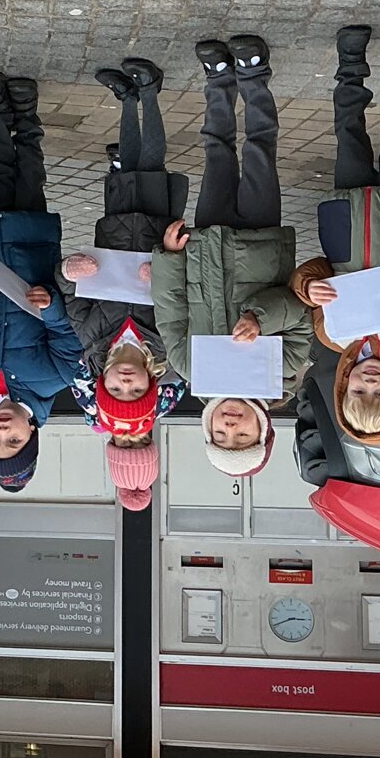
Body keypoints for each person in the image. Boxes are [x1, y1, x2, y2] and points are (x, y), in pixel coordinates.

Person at [150, 35, 311, 477]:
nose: (230, 427)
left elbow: (169, 310)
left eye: (220, 436)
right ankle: (254, 75)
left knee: (215, 155)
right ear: (262, 428)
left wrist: (168, 258)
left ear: (207, 426)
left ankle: (219, 81)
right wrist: (260, 318)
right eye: (242, 437)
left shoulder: (189, 370)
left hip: (208, 248)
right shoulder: (283, 372)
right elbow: (300, 313)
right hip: (261, 244)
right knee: (260, 152)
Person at [292, 21, 380, 446]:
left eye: (358, 391)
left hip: (348, 218)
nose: (370, 382)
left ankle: (350, 64)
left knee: (347, 131)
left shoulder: (329, 336)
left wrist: (309, 288)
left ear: (343, 384)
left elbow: (316, 270)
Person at [0, 70, 82, 492]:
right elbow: (68, 334)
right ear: (32, 436)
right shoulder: (54, 379)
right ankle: (27, 117)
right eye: (13, 440)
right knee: (29, 178)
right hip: (31, 257)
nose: (2, 431)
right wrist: (50, 309)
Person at [57, 57, 187, 445]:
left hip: (113, 235)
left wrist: (68, 270)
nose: (126, 384)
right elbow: (186, 298)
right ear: (151, 383)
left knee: (125, 169)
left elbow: (67, 294)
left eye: (116, 391)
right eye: (136, 392)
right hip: (155, 237)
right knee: (151, 166)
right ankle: (149, 91)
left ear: (102, 381)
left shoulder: (91, 338)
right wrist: (167, 267)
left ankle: (127, 99)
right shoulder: (166, 342)